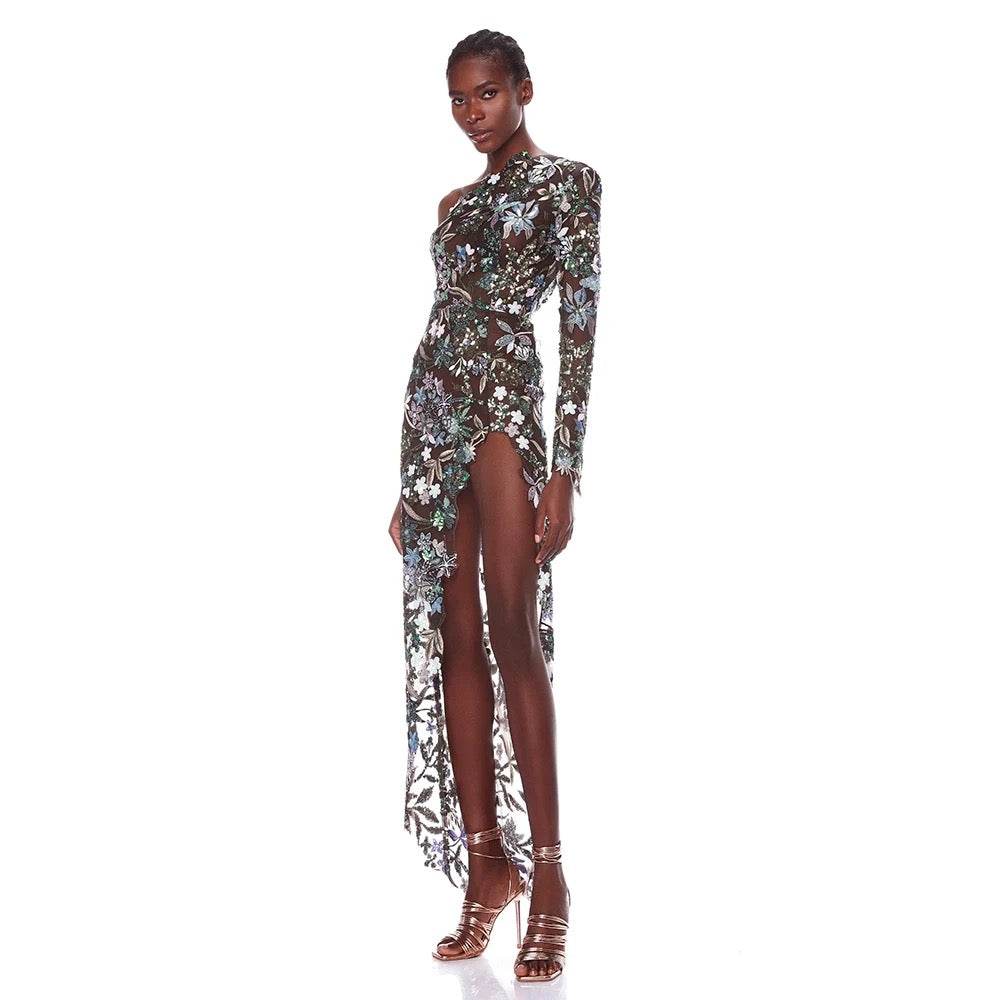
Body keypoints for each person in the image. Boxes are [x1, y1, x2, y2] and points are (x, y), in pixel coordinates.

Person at [387, 28, 602, 984]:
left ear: (523, 88)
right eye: (458, 99)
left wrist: (567, 470)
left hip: (507, 409)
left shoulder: (569, 185)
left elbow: (581, 326)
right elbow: (439, 328)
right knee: (452, 636)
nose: (472, 113)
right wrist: (405, 480)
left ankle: (549, 877)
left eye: (485, 93)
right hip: (432, 417)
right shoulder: (452, 204)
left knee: (511, 622)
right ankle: (487, 865)